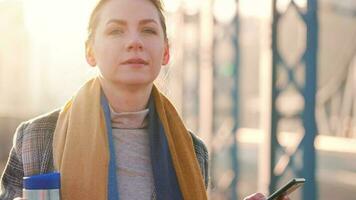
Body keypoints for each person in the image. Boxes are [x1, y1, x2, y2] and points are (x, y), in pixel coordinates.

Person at [0, 0, 289, 199]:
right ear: (90, 52)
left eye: (148, 30)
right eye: (116, 30)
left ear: (165, 52)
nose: (134, 41)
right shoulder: (35, 138)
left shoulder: (192, 151)